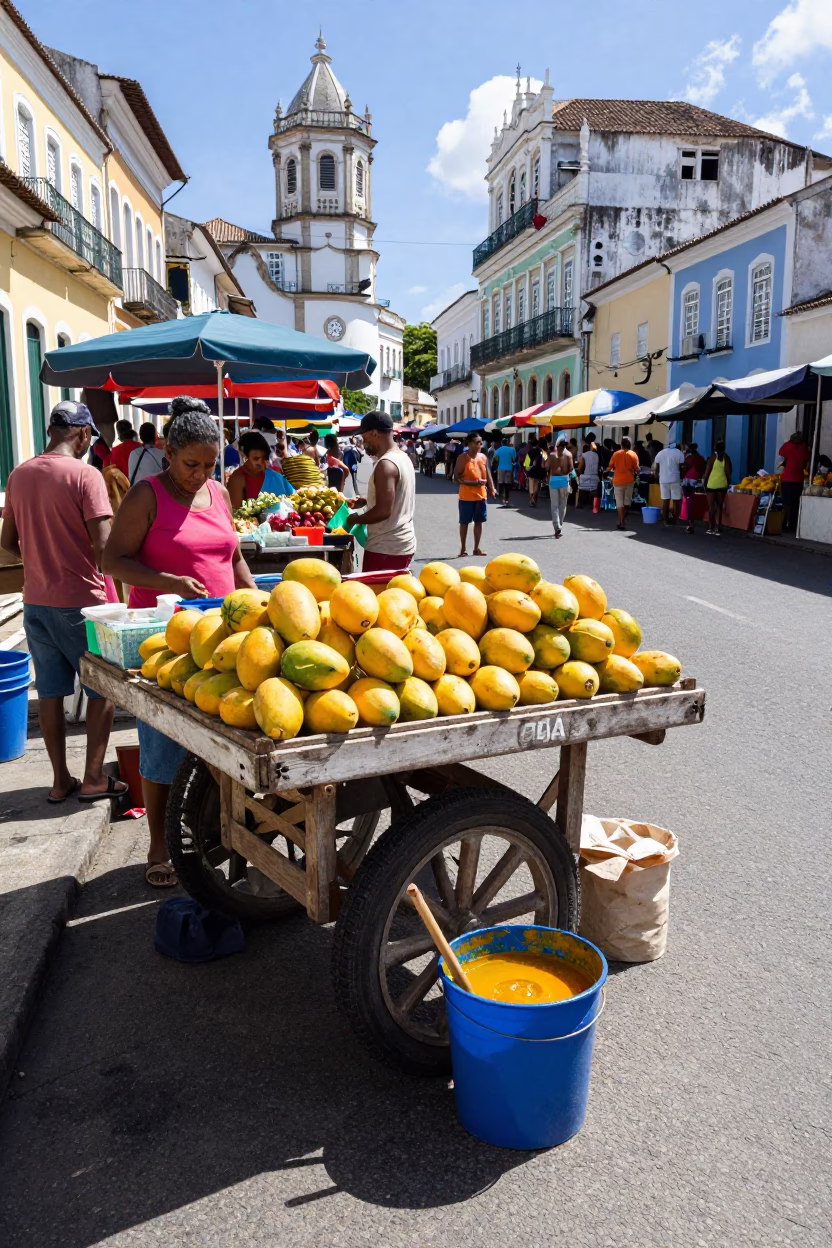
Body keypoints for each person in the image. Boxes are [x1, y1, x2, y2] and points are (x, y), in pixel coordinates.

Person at [102, 397, 259, 888]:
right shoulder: (146, 495)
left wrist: (257, 599)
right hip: (164, 636)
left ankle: (212, 833)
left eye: (209, 464)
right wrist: (165, 580)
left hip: (223, 635)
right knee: (164, 747)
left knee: (224, 737)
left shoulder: (219, 493)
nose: (199, 474)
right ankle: (158, 841)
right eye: (191, 464)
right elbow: (113, 560)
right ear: (168, 452)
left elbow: (232, 558)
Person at [0, 400, 128, 804]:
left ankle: (60, 781)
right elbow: (105, 548)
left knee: (51, 695)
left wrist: (42, 553)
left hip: (36, 602)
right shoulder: (86, 476)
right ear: (84, 434)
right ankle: (92, 777)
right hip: (81, 603)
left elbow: (6, 545)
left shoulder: (18, 475)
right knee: (102, 691)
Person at [344, 411, 416, 572]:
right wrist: (367, 499)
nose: (363, 443)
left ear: (375, 433)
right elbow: (396, 496)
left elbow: (383, 511)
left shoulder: (386, 464)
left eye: (365, 438)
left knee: (379, 596)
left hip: (386, 548)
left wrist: (354, 519)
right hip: (399, 545)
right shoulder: (403, 458)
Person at [455, 431, 496, 557]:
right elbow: (456, 477)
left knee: (479, 521)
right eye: (477, 442)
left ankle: (476, 548)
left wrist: (492, 487)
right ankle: (463, 549)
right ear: (469, 443)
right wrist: (471, 483)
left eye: (480, 442)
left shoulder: (483, 457)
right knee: (464, 522)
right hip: (466, 496)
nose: (480, 444)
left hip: (481, 495)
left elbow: (488, 472)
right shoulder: (462, 458)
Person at [227, 432, 292, 509]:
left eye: (264, 457)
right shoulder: (237, 478)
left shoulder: (275, 476)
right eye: (256, 459)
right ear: (244, 456)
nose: (261, 463)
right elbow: (236, 512)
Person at [778, 430, 810, 532]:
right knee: (795, 503)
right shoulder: (804, 447)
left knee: (786, 502)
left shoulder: (788, 445)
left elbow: (780, 452)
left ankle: (783, 524)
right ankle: (793, 525)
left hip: (787, 478)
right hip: (798, 479)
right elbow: (808, 458)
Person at [609, 436, 640, 531]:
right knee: (627, 503)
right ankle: (621, 521)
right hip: (629, 481)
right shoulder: (633, 454)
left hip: (618, 481)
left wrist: (606, 472)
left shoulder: (616, 454)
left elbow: (610, 466)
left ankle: (621, 520)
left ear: (621, 445)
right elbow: (637, 469)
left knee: (619, 503)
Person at [653, 440, 686, 526]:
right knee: (676, 500)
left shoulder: (660, 453)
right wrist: (681, 475)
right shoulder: (679, 453)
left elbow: (657, 469)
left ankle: (665, 520)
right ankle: (675, 520)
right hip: (675, 479)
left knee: (665, 500)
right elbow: (681, 467)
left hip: (663, 480)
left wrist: (657, 475)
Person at [546, 436, 573, 538]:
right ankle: (560, 526)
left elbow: (545, 466)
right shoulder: (569, 455)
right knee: (562, 505)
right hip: (564, 481)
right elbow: (571, 468)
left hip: (554, 481)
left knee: (554, 505)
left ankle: (557, 526)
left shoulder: (552, 455)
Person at [702, 441, 732, 535]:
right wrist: (727, 484)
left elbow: (707, 473)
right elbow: (728, 473)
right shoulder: (726, 458)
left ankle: (711, 527)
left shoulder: (712, 458)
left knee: (711, 507)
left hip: (711, 485)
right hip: (722, 485)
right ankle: (718, 528)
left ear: (715, 448)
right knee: (719, 506)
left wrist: (705, 484)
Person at [681, 442, 706, 535]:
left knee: (688, 503)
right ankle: (691, 522)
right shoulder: (701, 458)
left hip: (687, 481)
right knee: (692, 502)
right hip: (697, 481)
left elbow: (684, 469)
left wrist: (681, 476)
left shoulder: (688, 458)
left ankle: (690, 523)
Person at [493, 436, 517, 506]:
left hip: (500, 468)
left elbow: (495, 459)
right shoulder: (512, 450)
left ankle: (501, 497)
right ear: (507, 443)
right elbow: (514, 458)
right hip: (509, 468)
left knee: (501, 483)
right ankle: (507, 497)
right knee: (507, 483)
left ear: (501, 443)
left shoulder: (498, 450)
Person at [576, 438, 600, 508]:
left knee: (580, 487)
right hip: (595, 478)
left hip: (585, 478)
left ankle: (580, 502)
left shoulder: (583, 456)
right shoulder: (596, 455)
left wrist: (578, 474)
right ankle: (593, 503)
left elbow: (580, 468)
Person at [525, 434, 546, 507]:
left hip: (531, 470)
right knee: (537, 485)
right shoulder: (541, 452)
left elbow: (526, 463)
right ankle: (534, 499)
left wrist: (527, 470)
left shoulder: (529, 452)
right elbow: (544, 462)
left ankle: (531, 499)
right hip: (538, 470)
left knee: (531, 485)